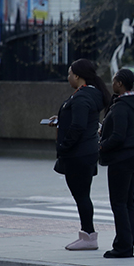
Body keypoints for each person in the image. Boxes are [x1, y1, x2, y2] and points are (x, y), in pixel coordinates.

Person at [50, 58, 111, 251]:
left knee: (82, 196)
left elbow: (78, 126)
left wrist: (64, 147)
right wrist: (61, 119)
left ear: (77, 76)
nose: (68, 77)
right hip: (86, 152)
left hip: (78, 154)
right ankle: (87, 235)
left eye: (70, 74)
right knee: (83, 195)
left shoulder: (82, 97)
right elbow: (80, 119)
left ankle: (88, 236)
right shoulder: (91, 94)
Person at [98, 68, 134, 259]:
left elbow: (118, 136)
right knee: (129, 202)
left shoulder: (120, 107)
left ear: (119, 83)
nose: (112, 83)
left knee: (118, 203)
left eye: (114, 80)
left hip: (121, 159)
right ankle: (128, 243)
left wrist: (102, 145)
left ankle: (123, 246)